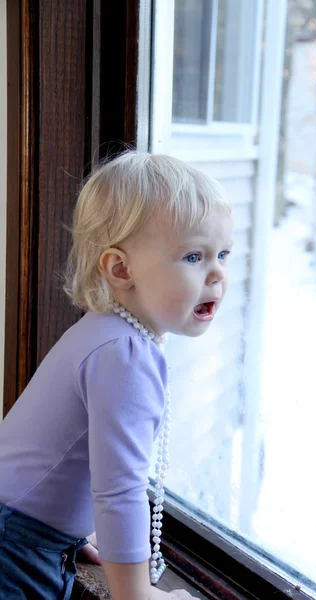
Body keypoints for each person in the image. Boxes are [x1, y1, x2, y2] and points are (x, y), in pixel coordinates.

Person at [0, 151, 234, 600]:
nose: (218, 273)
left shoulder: (105, 333)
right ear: (120, 269)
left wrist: (74, 528)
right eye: (194, 256)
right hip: (14, 548)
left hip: (23, 532)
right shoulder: (124, 352)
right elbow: (120, 488)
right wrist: (136, 593)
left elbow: (64, 452)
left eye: (223, 254)